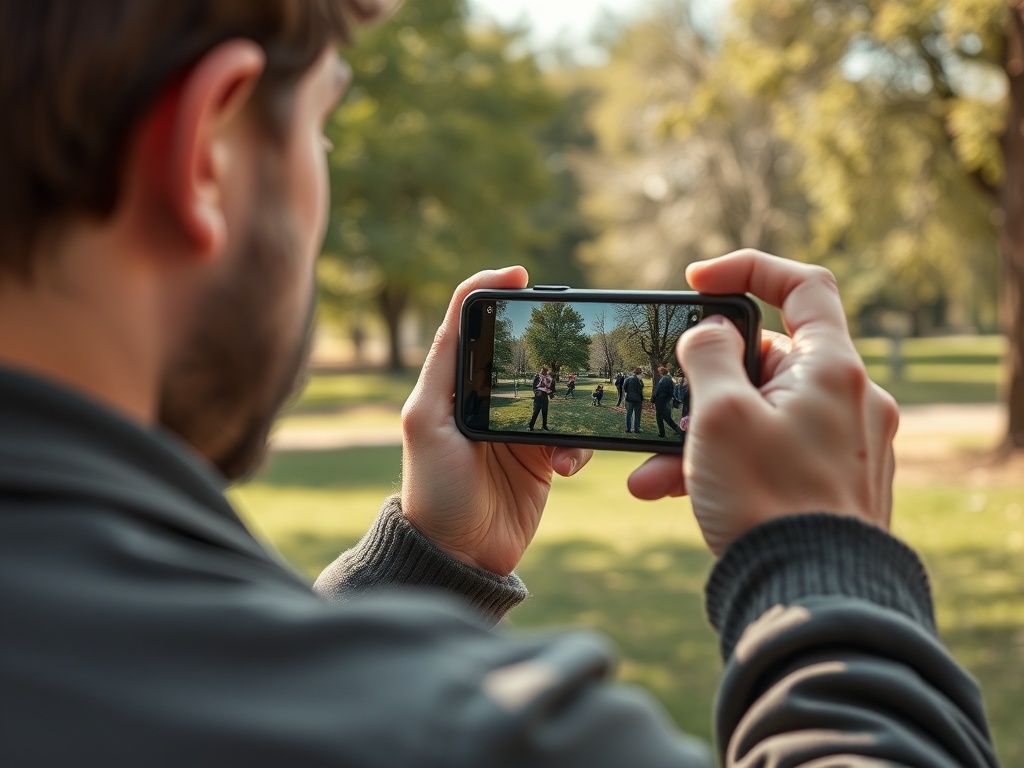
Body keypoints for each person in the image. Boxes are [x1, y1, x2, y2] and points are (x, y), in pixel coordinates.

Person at [0, 0, 997, 764]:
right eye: (322, 131)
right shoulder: (482, 736)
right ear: (205, 154)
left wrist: (426, 569)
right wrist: (829, 567)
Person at [651, 365, 683, 438]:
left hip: (661, 401)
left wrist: (653, 399)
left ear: (661, 372)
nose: (658, 373)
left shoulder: (663, 380)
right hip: (667, 400)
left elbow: (657, 390)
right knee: (666, 417)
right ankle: (678, 431)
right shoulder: (669, 379)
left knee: (661, 417)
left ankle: (662, 433)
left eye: (659, 371)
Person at [528, 365, 553, 430]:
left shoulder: (548, 378)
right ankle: (531, 426)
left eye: (545, 371)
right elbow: (534, 387)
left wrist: (550, 392)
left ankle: (544, 426)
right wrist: (537, 392)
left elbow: (550, 387)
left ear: (546, 372)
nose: (543, 372)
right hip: (538, 398)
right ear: (541, 370)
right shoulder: (537, 376)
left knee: (545, 412)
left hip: (545, 398)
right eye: (542, 371)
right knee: (535, 412)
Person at [623, 366, 645, 433]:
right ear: (639, 373)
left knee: (629, 414)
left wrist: (629, 393)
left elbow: (624, 387)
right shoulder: (640, 380)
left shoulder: (628, 379)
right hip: (638, 400)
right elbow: (642, 388)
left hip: (629, 399)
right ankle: (636, 429)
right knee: (637, 415)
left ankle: (628, 428)